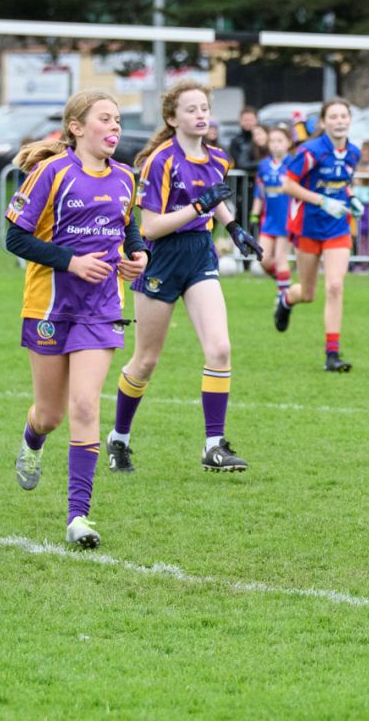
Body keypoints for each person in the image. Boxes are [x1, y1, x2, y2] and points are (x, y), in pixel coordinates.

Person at [6, 90, 149, 547]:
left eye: (118, 120)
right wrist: (70, 261)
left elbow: (127, 228)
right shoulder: (51, 173)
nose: (115, 128)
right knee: (51, 414)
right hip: (49, 307)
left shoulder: (127, 177)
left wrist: (138, 256)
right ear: (77, 127)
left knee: (86, 406)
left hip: (101, 307)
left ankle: (78, 517)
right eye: (105, 119)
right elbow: (15, 237)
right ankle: (32, 439)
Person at [106, 80, 261, 476]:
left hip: (198, 256)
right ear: (172, 118)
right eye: (191, 109)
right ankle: (119, 439)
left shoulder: (217, 158)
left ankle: (214, 446)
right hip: (161, 261)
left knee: (220, 348)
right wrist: (198, 207)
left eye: (204, 108)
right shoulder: (161, 161)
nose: (201, 115)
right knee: (145, 361)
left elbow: (216, 198)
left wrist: (234, 228)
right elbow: (152, 227)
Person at [275, 98, 361, 371]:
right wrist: (322, 201)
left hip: (337, 228)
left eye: (343, 116)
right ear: (324, 122)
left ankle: (332, 354)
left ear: (349, 120)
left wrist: (353, 197)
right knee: (309, 293)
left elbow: (345, 183)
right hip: (308, 227)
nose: (339, 121)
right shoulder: (310, 151)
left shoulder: (353, 152)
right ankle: (287, 299)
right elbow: (287, 184)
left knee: (335, 286)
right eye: (333, 117)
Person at [251, 125, 295, 303]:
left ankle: (282, 295)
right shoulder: (263, 165)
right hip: (268, 219)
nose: (275, 145)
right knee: (262, 258)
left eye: (280, 141)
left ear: (288, 143)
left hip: (286, 219)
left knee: (280, 257)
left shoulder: (293, 164)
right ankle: (284, 282)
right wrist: (255, 212)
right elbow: (259, 192)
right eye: (272, 141)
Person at [227, 106, 259, 171]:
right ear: (240, 121)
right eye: (245, 120)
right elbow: (238, 163)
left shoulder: (262, 138)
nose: (248, 123)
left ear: (256, 120)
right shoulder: (235, 141)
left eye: (251, 120)